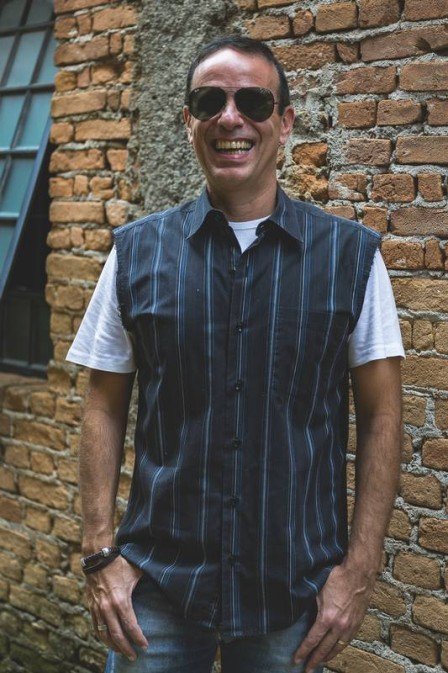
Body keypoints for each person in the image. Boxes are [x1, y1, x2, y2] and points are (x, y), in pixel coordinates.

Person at [67, 35, 404, 673]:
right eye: (209, 102)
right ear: (188, 120)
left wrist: (360, 571)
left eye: (253, 101)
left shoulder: (352, 258)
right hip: (156, 588)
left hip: (295, 593)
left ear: (285, 122)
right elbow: (103, 404)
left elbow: (383, 416)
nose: (230, 118)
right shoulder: (136, 254)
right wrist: (99, 552)